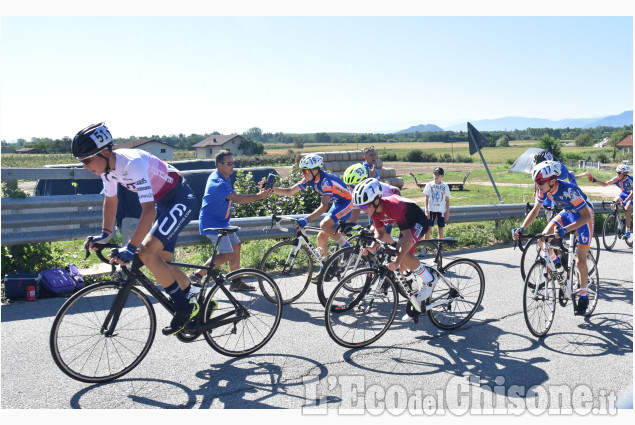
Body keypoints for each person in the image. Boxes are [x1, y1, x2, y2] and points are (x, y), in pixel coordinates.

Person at [74, 122, 199, 335]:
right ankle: (195, 296)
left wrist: (131, 248)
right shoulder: (108, 171)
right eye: (80, 161)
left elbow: (148, 211)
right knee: (163, 262)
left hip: (180, 197)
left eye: (86, 160)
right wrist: (104, 234)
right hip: (164, 203)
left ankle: (184, 307)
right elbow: (111, 200)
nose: (84, 166)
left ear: (104, 153)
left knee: (146, 252)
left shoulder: (132, 163)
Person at [512, 161, 595, 315]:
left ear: (552, 180)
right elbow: (535, 211)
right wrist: (522, 228)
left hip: (584, 217)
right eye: (536, 182)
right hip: (568, 213)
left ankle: (583, 296)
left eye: (540, 182)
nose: (538, 185)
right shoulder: (544, 190)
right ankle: (560, 269)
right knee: (542, 239)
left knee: (580, 260)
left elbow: (586, 216)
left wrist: (565, 229)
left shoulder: (569, 190)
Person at [352, 178, 436, 316]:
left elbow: (407, 236)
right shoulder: (374, 213)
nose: (363, 210)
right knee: (402, 264)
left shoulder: (392, 206)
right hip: (407, 226)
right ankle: (416, 300)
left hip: (418, 221)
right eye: (361, 207)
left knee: (401, 258)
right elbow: (380, 233)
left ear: (376, 201)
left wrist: (397, 260)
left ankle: (429, 280)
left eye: (365, 206)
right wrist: (372, 248)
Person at [189, 150, 272, 290]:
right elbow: (237, 199)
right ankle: (197, 275)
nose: (233, 166)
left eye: (233, 162)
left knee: (236, 246)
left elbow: (235, 196)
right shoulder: (218, 181)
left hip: (221, 222)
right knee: (227, 254)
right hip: (212, 224)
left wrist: (259, 191)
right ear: (219, 165)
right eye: (229, 163)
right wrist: (259, 196)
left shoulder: (223, 176)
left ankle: (236, 281)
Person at [270, 154, 353, 264]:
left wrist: (306, 219)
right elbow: (290, 191)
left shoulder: (325, 181)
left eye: (305, 171)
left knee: (324, 225)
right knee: (321, 237)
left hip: (347, 202)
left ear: (316, 170)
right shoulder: (309, 179)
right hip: (337, 203)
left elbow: (324, 207)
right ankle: (324, 268)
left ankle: (347, 249)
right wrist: (271, 189)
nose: (303, 174)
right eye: (302, 171)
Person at [341, 163, 400, 230]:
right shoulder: (358, 191)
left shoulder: (375, 190)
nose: (350, 189)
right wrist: (350, 226)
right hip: (374, 208)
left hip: (390, 202)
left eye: (352, 186)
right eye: (348, 186)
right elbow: (356, 210)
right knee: (371, 233)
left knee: (379, 235)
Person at [586, 164, 633, 239]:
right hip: (624, 193)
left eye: (619, 173)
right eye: (617, 172)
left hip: (632, 195)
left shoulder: (630, 180)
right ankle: (620, 220)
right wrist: (595, 180)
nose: (618, 174)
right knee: (613, 204)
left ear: (625, 173)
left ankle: (627, 231)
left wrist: (625, 201)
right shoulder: (617, 178)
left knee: (626, 209)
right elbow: (605, 184)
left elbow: (632, 192)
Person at [423, 167, 451, 239]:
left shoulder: (445, 186)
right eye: (434, 174)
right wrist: (426, 210)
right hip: (431, 210)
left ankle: (440, 246)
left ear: (442, 176)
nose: (436, 176)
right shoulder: (429, 184)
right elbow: (426, 197)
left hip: (441, 210)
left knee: (440, 229)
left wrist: (447, 212)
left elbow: (447, 199)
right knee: (428, 228)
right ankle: (425, 247)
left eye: (438, 174)